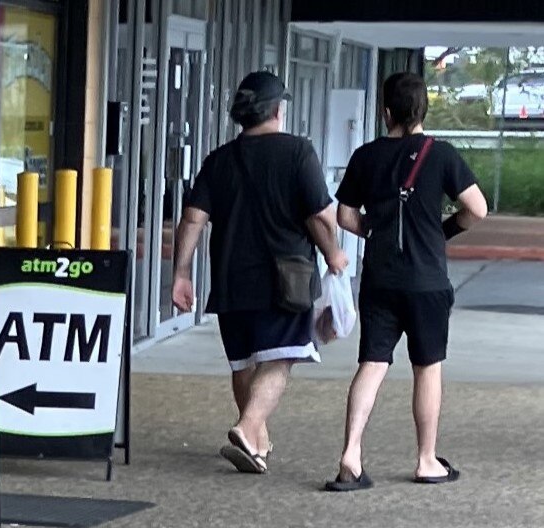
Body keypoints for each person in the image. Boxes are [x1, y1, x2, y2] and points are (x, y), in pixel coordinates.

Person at [173, 71, 348, 474]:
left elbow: (192, 219)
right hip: (284, 281)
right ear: (277, 110)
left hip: (231, 281)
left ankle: (258, 442)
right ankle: (249, 427)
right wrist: (334, 254)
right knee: (281, 358)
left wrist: (181, 273)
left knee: (243, 363)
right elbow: (320, 216)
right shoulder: (297, 152)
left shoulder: (218, 160)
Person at [325, 72, 488, 491]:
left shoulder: (365, 156)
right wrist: (442, 231)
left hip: (381, 277)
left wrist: (375, 229)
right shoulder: (442, 154)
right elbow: (477, 209)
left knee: (373, 363)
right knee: (427, 367)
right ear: (422, 112)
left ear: (385, 113)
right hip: (426, 280)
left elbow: (344, 216)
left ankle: (351, 453)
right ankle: (426, 459)